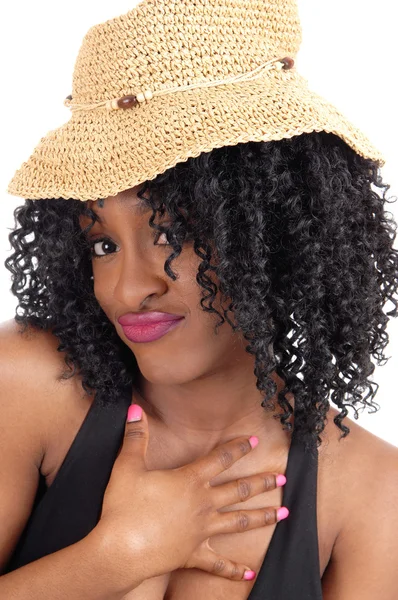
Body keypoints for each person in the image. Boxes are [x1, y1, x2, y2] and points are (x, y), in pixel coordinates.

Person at [1, 0, 398, 598]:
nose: (129, 289)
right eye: (102, 244)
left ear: (278, 233)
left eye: (171, 234)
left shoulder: (371, 496)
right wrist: (117, 557)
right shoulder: (27, 386)